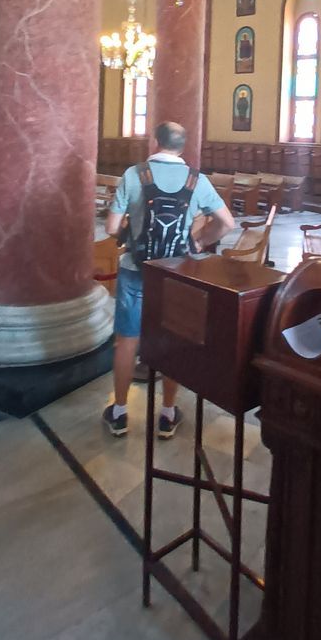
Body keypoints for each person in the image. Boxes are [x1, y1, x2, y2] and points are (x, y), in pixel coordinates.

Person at [102, 120, 235, 438]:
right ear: (182, 146)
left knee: (127, 341)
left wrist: (129, 233)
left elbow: (111, 228)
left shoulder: (134, 175)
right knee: (172, 340)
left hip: (135, 270)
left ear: (155, 141)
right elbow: (227, 223)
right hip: (176, 273)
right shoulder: (197, 180)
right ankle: (168, 413)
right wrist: (199, 242)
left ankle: (119, 412)